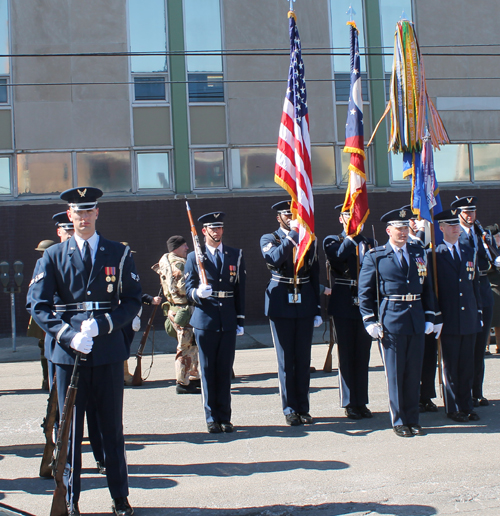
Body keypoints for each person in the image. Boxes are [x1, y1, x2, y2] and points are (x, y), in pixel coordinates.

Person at [31, 187, 141, 516]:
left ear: (97, 213)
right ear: (69, 216)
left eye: (89, 211)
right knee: (70, 431)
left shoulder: (117, 253)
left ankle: (120, 498)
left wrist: (105, 324)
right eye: (77, 212)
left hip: (106, 350)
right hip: (68, 354)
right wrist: (68, 335)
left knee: (112, 429)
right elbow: (39, 305)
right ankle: (69, 499)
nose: (83, 217)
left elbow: (133, 299)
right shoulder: (52, 256)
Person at [358, 207, 435, 438]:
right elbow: (365, 292)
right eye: (398, 228)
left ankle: (413, 419)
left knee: (413, 372)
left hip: (416, 318)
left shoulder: (418, 252)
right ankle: (399, 420)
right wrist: (369, 320)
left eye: (405, 228)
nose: (403, 232)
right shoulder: (377, 255)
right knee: (396, 373)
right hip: (391, 318)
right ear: (388, 230)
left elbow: (427, 287)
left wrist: (430, 315)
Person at [260, 200, 322, 426]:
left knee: (303, 358)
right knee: (286, 360)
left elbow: (314, 274)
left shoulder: (309, 240)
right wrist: (293, 235)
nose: (291, 216)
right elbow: (274, 258)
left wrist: (317, 308)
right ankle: (289, 409)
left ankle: (304, 408)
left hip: (304, 300)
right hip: (280, 301)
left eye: (294, 212)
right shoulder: (269, 238)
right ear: (279, 218)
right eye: (287, 214)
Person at [184, 212, 245, 434]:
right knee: (208, 371)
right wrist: (198, 293)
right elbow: (187, 289)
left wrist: (240, 319)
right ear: (204, 231)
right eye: (213, 228)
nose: (217, 232)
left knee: (224, 370)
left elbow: (240, 289)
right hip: (205, 319)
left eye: (220, 228)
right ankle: (211, 417)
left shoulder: (234, 255)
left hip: (227, 318)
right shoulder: (194, 257)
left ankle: (225, 417)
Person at [430, 209, 482, 422]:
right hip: (449, 316)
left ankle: (466, 405)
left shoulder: (469, 250)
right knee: (450, 365)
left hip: (468, 316)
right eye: (450, 225)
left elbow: (474, 283)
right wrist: (436, 315)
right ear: (441, 228)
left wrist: (478, 310)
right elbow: (432, 289)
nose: (455, 228)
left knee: (467, 364)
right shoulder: (435, 254)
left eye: (457, 225)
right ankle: (453, 408)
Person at [323, 204, 374, 420]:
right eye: (348, 215)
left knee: (362, 355)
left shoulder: (369, 242)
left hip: (364, 302)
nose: (353, 218)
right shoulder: (332, 240)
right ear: (340, 218)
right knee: (346, 354)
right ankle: (349, 402)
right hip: (344, 300)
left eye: (356, 215)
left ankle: (361, 401)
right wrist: (352, 236)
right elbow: (338, 256)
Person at [451, 196, 499, 407]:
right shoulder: (455, 234)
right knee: (467, 346)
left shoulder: (482, 232)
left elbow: (490, 256)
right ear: (458, 213)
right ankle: (463, 393)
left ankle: (477, 391)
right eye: (466, 212)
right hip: (466, 292)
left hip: (483, 288)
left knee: (480, 346)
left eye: (473, 211)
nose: (470, 215)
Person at [401, 206, 439, 413]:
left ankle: (426, 395)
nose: (415, 224)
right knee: (410, 359)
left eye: (417, 220)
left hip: (424, 309)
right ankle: (411, 396)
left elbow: (430, 285)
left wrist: (435, 313)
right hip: (407, 312)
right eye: (412, 221)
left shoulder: (425, 248)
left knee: (429, 356)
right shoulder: (410, 248)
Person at [156, 235, 200, 394]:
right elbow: (183, 289)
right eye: (184, 246)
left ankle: (192, 377)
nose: (187, 248)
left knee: (191, 345)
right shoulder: (179, 265)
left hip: (174, 309)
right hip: (183, 309)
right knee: (185, 346)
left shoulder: (165, 260)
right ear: (176, 247)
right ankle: (183, 382)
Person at [26, 240, 56, 390]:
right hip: (45, 313)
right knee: (44, 347)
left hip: (55, 314)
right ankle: (47, 379)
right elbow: (33, 294)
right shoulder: (41, 264)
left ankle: (49, 379)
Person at [486, 224, 500, 354]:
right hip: (492, 285)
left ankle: (499, 346)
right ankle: (486, 346)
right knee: (490, 319)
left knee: (499, 320)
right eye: (496, 236)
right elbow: (484, 267)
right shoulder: (487, 248)